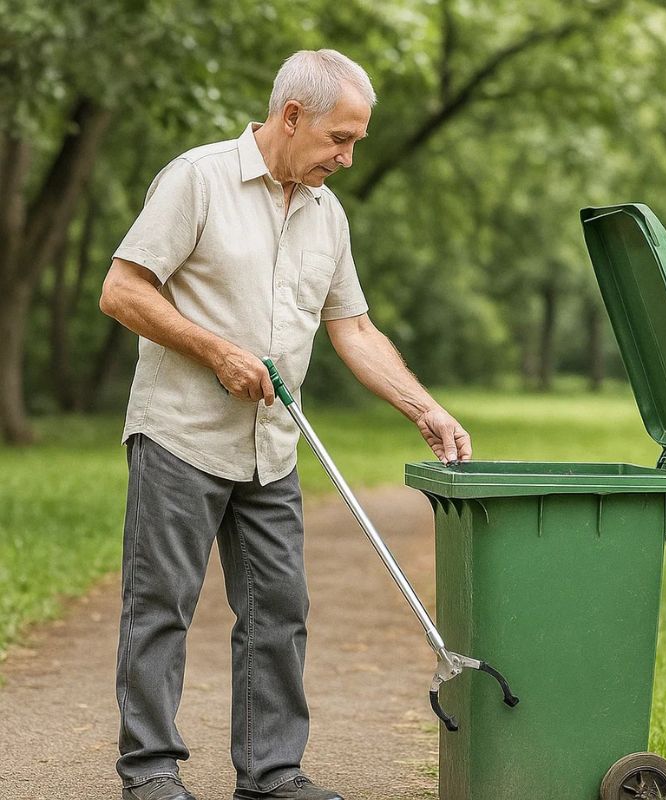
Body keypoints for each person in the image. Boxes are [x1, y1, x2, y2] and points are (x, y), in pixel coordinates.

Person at [99, 49, 471, 800]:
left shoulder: (326, 214)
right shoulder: (197, 180)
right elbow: (122, 290)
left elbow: (355, 330)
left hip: (271, 449)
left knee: (280, 609)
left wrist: (423, 407)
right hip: (180, 435)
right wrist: (213, 351)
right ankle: (150, 772)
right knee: (161, 603)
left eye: (357, 142)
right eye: (342, 139)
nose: (349, 157)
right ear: (292, 116)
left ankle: (270, 775)